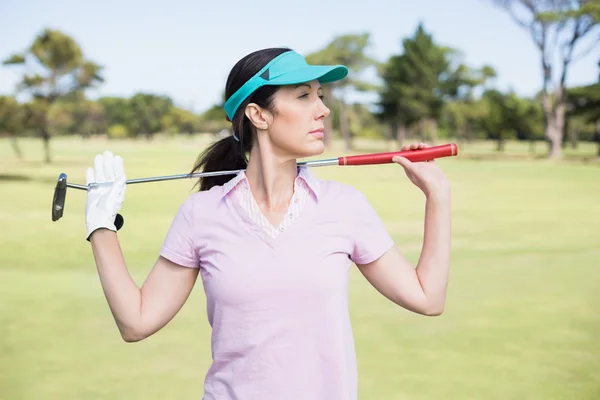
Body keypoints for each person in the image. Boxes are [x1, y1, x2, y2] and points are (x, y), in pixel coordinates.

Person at [85, 47, 451, 400]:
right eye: (304, 96)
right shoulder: (201, 214)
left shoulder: (345, 207)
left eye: (320, 95)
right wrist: (101, 224)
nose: (322, 110)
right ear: (259, 115)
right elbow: (136, 322)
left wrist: (437, 196)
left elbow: (427, 297)